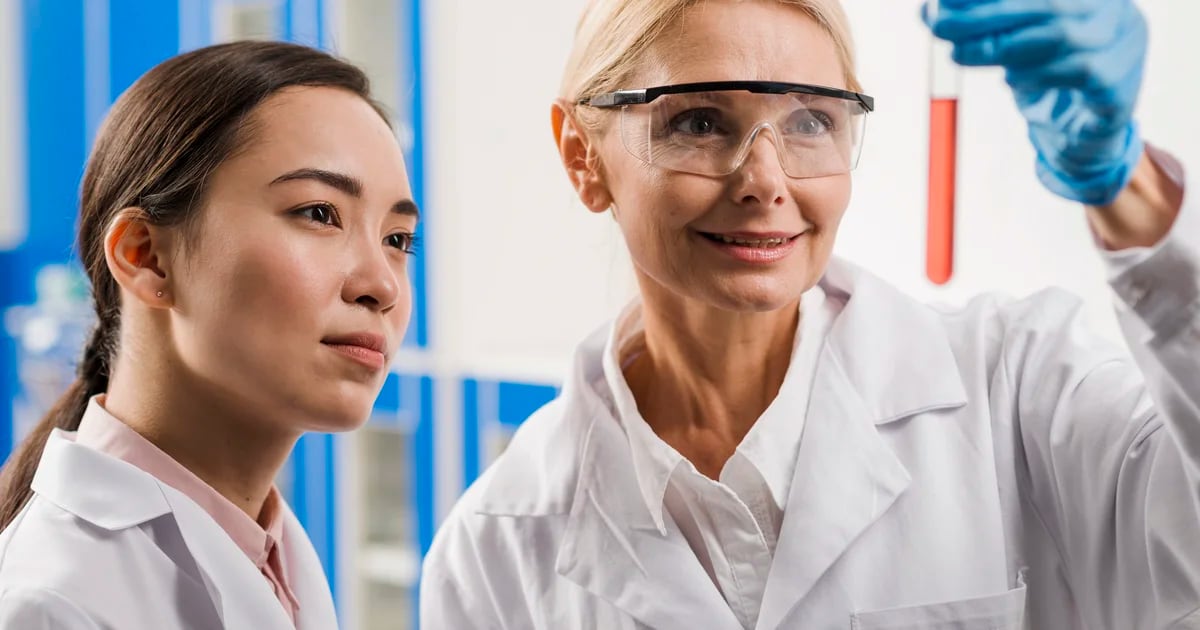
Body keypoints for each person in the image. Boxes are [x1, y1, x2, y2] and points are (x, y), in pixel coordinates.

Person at [420, 0, 1200, 628]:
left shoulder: (1022, 385)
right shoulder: (495, 547)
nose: (765, 179)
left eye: (811, 120)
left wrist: (1127, 187)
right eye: (698, 121)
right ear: (582, 158)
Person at [0, 40, 419, 629]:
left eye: (397, 240)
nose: (382, 285)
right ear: (146, 258)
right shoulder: (50, 604)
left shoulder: (273, 554)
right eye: (319, 213)